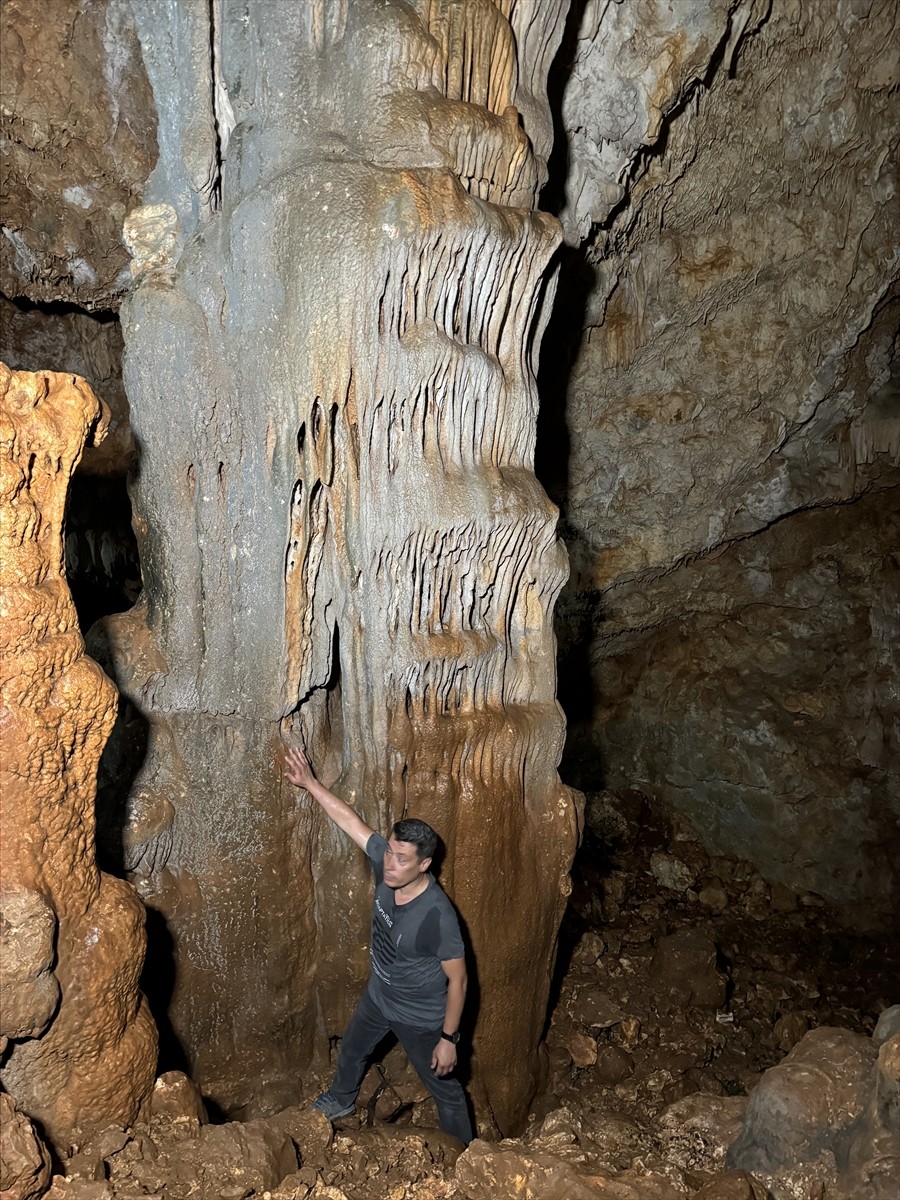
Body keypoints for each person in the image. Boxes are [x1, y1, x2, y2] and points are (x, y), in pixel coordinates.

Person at [284, 746, 474, 1145]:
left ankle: (465, 1154)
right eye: (389, 851)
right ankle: (341, 1099)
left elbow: (457, 981)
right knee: (352, 1050)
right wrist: (311, 783)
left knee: (447, 1089)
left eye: (401, 859)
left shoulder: (437, 916)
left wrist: (448, 1039)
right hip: (380, 996)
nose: (389, 863)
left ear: (424, 865)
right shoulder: (387, 867)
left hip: (420, 1016)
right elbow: (351, 822)